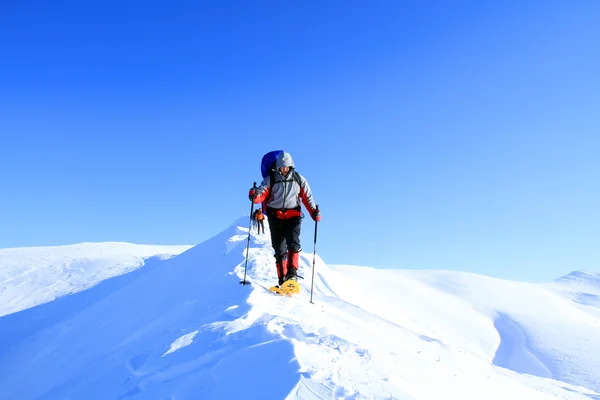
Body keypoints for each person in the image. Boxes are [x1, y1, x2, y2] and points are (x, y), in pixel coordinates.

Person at [249, 151, 321, 286]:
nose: (284, 169)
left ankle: (292, 276)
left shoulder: (298, 179)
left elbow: (307, 197)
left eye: (287, 167)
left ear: (291, 166)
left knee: (293, 243)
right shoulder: (271, 179)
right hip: (275, 217)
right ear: (278, 167)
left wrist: (314, 212)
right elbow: (262, 192)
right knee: (279, 248)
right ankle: (282, 280)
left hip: (293, 216)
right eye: (282, 167)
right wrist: (255, 196)